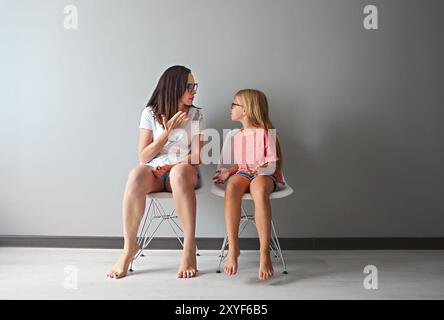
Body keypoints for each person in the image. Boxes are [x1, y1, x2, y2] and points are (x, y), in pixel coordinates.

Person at [108, 65, 204, 279]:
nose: (194, 91)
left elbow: (197, 156)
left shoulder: (196, 115)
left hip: (182, 170)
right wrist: (167, 132)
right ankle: (128, 248)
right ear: (175, 87)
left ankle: (189, 249)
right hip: (154, 171)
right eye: (190, 86)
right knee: (135, 174)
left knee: (179, 174)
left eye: (194, 86)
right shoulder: (150, 113)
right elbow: (144, 156)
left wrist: (171, 166)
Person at [212, 89, 284, 281]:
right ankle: (233, 248)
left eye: (234, 104)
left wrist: (259, 170)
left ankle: (264, 253)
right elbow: (243, 164)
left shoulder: (266, 133)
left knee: (259, 189)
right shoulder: (238, 136)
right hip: (245, 173)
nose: (230, 108)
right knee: (232, 187)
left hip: (265, 174)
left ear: (246, 110)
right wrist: (229, 170)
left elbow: (271, 164)